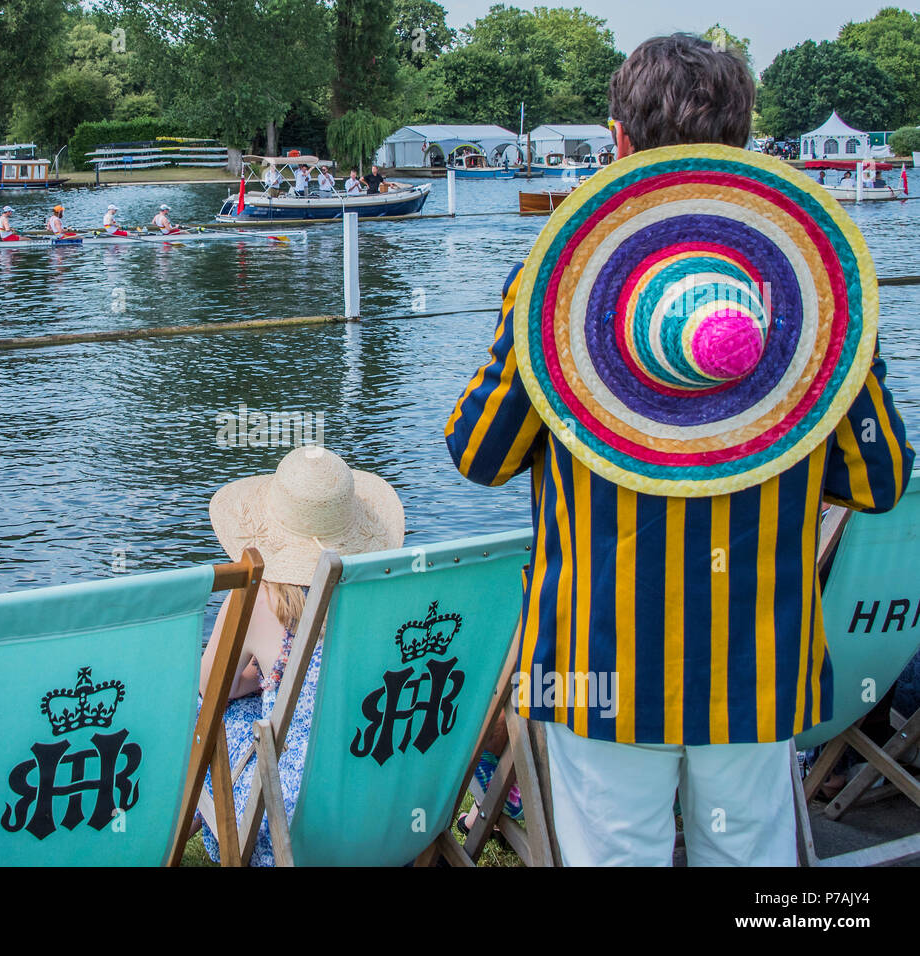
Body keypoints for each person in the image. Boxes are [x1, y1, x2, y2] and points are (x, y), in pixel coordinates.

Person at [445, 32, 912, 867]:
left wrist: (548, 329)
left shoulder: (565, 286)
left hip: (598, 658)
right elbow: (877, 482)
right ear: (742, 142)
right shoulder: (808, 292)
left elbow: (479, 452)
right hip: (758, 656)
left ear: (617, 142)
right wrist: (841, 341)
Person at [197, 446, 405, 865]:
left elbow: (213, 686)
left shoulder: (259, 597)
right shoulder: (382, 599)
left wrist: (267, 675)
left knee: (202, 707)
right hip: (382, 810)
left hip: (287, 831)